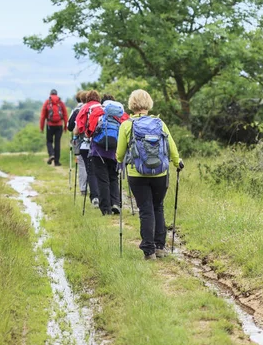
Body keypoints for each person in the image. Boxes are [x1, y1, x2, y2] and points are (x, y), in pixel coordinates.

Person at [116, 89, 183, 261]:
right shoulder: (159, 123)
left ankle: (149, 250)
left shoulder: (126, 125)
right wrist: (177, 162)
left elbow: (120, 154)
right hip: (160, 173)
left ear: (132, 104)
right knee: (158, 206)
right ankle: (160, 247)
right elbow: (171, 146)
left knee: (145, 209)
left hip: (136, 173)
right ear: (149, 103)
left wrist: (120, 160)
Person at [87, 94, 129, 216]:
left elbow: (89, 132)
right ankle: (115, 203)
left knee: (102, 179)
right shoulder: (122, 114)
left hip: (98, 152)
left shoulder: (97, 112)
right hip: (115, 152)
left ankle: (106, 209)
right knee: (113, 177)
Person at [73, 90, 101, 207]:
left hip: (86, 145)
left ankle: (95, 197)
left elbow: (78, 128)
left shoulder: (84, 109)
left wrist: (76, 136)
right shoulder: (103, 108)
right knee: (101, 171)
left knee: (91, 171)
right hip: (101, 144)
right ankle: (105, 198)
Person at [40, 89, 68, 166]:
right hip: (59, 125)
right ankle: (57, 162)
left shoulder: (47, 102)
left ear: (50, 94)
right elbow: (65, 114)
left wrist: (41, 127)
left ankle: (51, 154)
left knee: (49, 141)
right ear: (57, 94)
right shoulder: (60, 103)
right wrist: (66, 126)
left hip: (50, 125)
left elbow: (43, 116)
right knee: (57, 143)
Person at [67, 90, 88, 195]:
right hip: (93, 141)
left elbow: (70, 127)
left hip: (80, 141)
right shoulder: (94, 109)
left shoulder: (76, 110)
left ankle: (83, 188)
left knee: (82, 164)